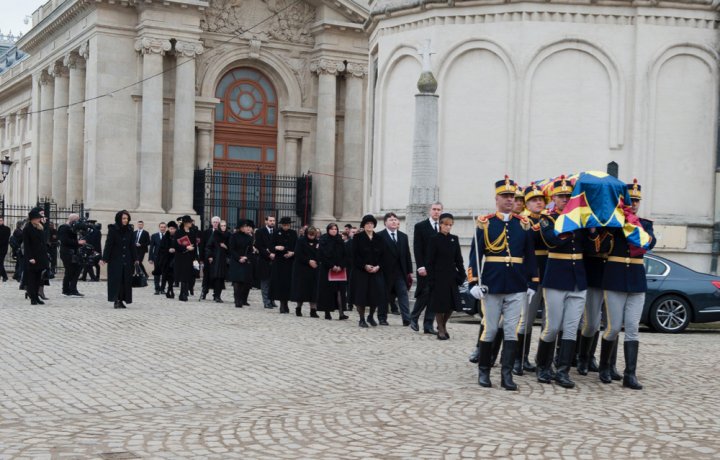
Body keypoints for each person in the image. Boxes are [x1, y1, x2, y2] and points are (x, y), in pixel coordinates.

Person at [468, 177, 538, 391]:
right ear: (496, 198)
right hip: (492, 284)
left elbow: (530, 256)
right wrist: (473, 282)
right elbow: (475, 256)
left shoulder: (523, 224)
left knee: (511, 331)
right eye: (505, 196)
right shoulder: (486, 222)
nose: (509, 200)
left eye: (512, 197)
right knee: (489, 330)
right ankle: (484, 371)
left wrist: (532, 283)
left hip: (516, 285)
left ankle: (507, 375)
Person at [597, 179, 656, 389]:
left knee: (632, 328)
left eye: (637, 200)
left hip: (636, 281)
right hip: (614, 279)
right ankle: (605, 367)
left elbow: (649, 243)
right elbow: (601, 247)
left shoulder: (645, 225)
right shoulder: (613, 225)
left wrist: (634, 223)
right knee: (612, 328)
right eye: (630, 200)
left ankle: (630, 374)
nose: (634, 203)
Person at [535, 176, 591, 388]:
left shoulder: (580, 220)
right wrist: (569, 226)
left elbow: (589, 246)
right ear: (553, 198)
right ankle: (542, 366)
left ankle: (563, 371)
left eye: (568, 196)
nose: (565, 199)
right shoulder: (547, 219)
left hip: (578, 279)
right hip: (556, 278)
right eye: (561, 196)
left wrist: (592, 230)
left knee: (571, 327)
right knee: (552, 326)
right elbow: (552, 240)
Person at [512, 183, 550, 375]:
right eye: (534, 200)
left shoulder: (547, 220)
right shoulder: (523, 221)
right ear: (527, 203)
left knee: (547, 321)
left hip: (548, 271)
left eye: (541, 199)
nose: (538, 202)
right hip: (530, 273)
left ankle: (541, 359)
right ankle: (519, 359)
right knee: (525, 319)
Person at [426, 213, 465, 340]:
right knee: (439, 304)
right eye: (446, 225)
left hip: (451, 275)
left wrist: (462, 273)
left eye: (450, 225)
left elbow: (459, 259)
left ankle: (442, 324)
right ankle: (441, 330)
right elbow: (430, 261)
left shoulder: (454, 239)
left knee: (452, 304)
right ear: (440, 225)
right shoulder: (433, 239)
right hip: (438, 276)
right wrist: (431, 278)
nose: (448, 227)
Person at [410, 202, 442, 334]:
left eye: (439, 210)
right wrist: (420, 266)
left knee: (434, 296)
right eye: (434, 209)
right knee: (425, 292)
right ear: (430, 211)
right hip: (425, 267)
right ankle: (414, 316)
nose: (436, 212)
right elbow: (417, 248)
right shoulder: (421, 226)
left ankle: (428, 325)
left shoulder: (443, 227)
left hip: (438, 269)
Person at [376, 212, 413, 326]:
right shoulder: (379, 236)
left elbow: (407, 254)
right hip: (384, 271)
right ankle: (382, 317)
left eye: (395, 220)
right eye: (391, 220)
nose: (394, 221)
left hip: (400, 272)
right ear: (385, 223)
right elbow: (377, 255)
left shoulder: (403, 236)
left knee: (403, 294)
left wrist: (409, 271)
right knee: (384, 295)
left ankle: (406, 318)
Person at [350, 214, 386, 328]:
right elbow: (354, 256)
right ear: (363, 225)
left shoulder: (379, 238)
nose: (369, 225)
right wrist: (364, 266)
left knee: (375, 295)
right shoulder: (358, 238)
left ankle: (371, 316)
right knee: (361, 296)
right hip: (361, 272)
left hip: (375, 271)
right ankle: (361, 319)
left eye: (371, 223)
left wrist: (378, 266)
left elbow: (384, 256)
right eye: (367, 224)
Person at [101, 210, 138, 308]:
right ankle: (116, 300)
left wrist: (136, 259)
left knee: (125, 280)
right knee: (116, 280)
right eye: (123, 218)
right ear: (119, 219)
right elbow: (108, 244)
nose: (125, 220)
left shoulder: (130, 229)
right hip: (115, 259)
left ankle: (122, 299)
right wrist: (104, 258)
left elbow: (132, 246)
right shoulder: (113, 229)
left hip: (127, 259)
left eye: (127, 218)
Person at [316, 223, 349, 320]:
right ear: (328, 230)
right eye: (332, 229)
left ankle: (341, 312)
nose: (334, 231)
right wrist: (332, 266)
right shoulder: (324, 239)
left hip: (339, 270)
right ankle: (327, 312)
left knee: (340, 291)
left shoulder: (340, 240)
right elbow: (321, 255)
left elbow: (345, 255)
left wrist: (341, 266)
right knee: (327, 291)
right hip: (327, 269)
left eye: (335, 229)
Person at [269, 216, 297, 313]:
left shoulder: (293, 233)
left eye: (288, 225)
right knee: (280, 283)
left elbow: (296, 247)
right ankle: (282, 304)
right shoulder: (276, 232)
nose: (286, 227)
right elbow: (271, 246)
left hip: (289, 261)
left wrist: (292, 253)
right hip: (279, 261)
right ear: (281, 225)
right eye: (284, 225)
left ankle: (286, 303)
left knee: (288, 284)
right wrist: (276, 247)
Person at [291, 226, 320, 317]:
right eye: (310, 235)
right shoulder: (301, 241)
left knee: (313, 290)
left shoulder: (317, 242)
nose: (311, 237)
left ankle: (313, 310)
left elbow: (320, 253)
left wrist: (316, 261)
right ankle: (298, 308)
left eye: (313, 235)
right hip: (302, 268)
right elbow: (298, 253)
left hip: (314, 268)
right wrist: (308, 261)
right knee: (301, 289)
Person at [22, 208, 49, 305]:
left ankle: (37, 296)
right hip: (32, 257)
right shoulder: (27, 229)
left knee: (39, 278)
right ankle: (32, 297)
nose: (39, 219)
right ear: (32, 219)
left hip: (41, 256)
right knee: (31, 278)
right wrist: (30, 258)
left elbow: (43, 242)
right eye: (38, 218)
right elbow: (27, 245)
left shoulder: (40, 227)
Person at [227, 220, 255, 308]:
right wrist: (239, 258)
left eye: (246, 226)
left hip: (245, 260)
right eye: (244, 226)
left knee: (243, 281)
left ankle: (241, 299)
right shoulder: (234, 236)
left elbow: (250, 250)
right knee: (236, 281)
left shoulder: (249, 237)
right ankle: (237, 300)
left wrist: (246, 257)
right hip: (236, 261)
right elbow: (231, 249)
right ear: (240, 228)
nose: (245, 228)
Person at [58, 214, 85, 297]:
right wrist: (78, 242)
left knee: (75, 270)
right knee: (70, 271)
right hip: (67, 253)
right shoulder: (64, 227)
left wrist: (80, 243)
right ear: (72, 220)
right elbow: (65, 241)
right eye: (77, 220)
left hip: (72, 252)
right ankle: (67, 289)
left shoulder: (72, 228)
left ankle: (70, 289)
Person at [173, 215, 199, 302]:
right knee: (183, 276)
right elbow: (175, 245)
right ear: (185, 223)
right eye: (190, 222)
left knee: (188, 275)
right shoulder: (179, 232)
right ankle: (182, 293)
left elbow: (194, 244)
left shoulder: (192, 232)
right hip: (181, 257)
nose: (191, 223)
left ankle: (185, 293)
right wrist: (186, 248)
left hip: (189, 257)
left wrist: (195, 256)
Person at [255, 216, 277, 309]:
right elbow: (259, 246)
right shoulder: (260, 232)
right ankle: (266, 301)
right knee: (265, 282)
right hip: (264, 260)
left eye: (273, 221)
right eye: (270, 221)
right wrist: (268, 254)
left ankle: (272, 300)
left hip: (275, 260)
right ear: (266, 221)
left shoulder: (276, 232)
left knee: (273, 282)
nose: (272, 222)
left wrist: (275, 253)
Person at [206, 220, 230, 303]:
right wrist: (210, 256)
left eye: (225, 225)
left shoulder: (228, 235)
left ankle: (218, 295)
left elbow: (232, 248)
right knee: (216, 277)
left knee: (221, 278)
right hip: (216, 259)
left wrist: (226, 246)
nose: (223, 227)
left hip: (224, 259)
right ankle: (216, 295)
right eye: (222, 225)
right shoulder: (215, 234)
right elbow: (209, 246)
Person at [200, 216, 221, 300]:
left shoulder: (221, 233)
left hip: (218, 258)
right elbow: (202, 246)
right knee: (206, 276)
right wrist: (202, 258)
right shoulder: (206, 232)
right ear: (211, 223)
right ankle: (204, 292)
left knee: (217, 277)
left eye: (217, 222)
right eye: (214, 222)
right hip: (207, 258)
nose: (215, 223)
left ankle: (216, 294)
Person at [158, 221, 177, 298]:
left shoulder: (177, 236)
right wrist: (168, 250)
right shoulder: (165, 237)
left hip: (174, 259)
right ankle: (164, 288)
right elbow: (161, 248)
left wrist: (175, 249)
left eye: (173, 229)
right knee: (165, 275)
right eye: (170, 228)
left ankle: (170, 289)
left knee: (172, 276)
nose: (171, 230)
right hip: (166, 259)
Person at [149, 222, 167, 294]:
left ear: (166, 228)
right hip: (156, 257)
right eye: (161, 227)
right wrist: (150, 258)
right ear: (159, 227)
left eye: (164, 227)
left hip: (166, 258)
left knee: (164, 274)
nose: (163, 228)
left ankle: (162, 289)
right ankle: (157, 289)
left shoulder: (168, 236)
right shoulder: (154, 236)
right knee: (157, 274)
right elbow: (151, 248)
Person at [0, 216, 10, 282]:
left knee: (0, 262)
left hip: (3, 249)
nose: (0, 221)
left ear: (3, 221)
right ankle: (5, 276)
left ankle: (4, 276)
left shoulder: (7, 229)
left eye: (1, 220)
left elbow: (5, 239)